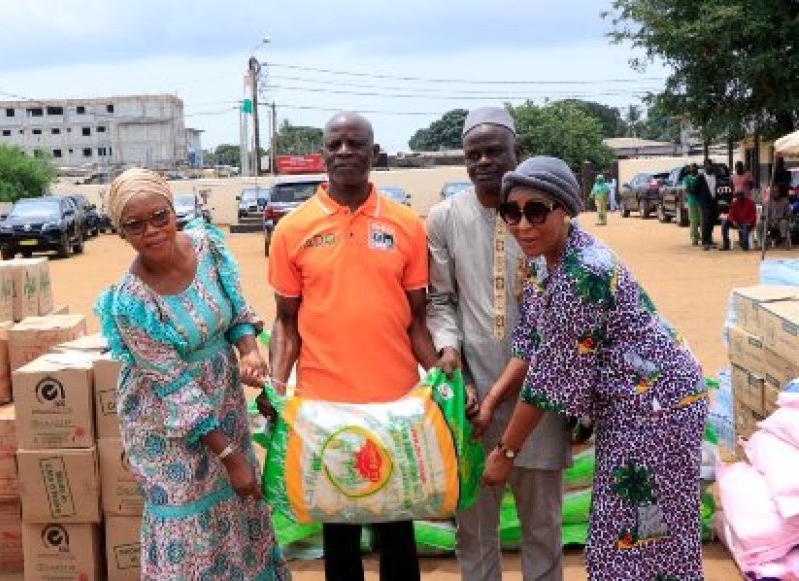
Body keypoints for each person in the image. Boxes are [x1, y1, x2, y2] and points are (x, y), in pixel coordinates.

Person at [475, 156, 708, 580]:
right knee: (634, 535)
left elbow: (547, 381)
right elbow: (529, 340)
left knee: (633, 538)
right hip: (634, 406)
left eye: (537, 211)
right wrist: (492, 399)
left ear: (565, 210)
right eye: (512, 212)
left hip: (657, 410)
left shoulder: (583, 274)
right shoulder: (543, 262)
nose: (522, 224)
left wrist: (505, 452)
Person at [94, 168, 289, 580]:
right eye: (135, 224)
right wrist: (230, 455)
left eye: (160, 216)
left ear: (173, 210)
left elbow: (236, 310)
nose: (152, 231)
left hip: (224, 403)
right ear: (120, 231)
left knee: (239, 504)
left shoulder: (206, 247)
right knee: (186, 517)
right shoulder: (131, 302)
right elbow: (175, 388)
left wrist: (249, 350)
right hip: (165, 426)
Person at [267, 111, 437, 581]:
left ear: (373, 152)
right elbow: (285, 323)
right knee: (339, 536)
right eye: (336, 144)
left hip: (396, 405)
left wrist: (442, 375)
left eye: (355, 144)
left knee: (397, 529)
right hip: (326, 409)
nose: (345, 152)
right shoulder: (292, 229)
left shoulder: (406, 225)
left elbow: (417, 320)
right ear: (323, 153)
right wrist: (276, 386)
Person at [426, 107, 570, 581]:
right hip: (472, 399)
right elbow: (441, 301)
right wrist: (448, 352)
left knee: (542, 527)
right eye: (474, 154)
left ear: (517, 154)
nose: (484, 161)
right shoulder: (445, 218)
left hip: (540, 400)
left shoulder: (543, 216)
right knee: (475, 529)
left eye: (495, 152)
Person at [693, 159, 719, 250]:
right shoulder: (700, 178)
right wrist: (700, 200)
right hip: (704, 203)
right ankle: (705, 242)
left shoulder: (715, 176)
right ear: (704, 167)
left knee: (712, 221)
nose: (709, 168)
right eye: (707, 166)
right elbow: (694, 190)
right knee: (705, 221)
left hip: (713, 201)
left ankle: (709, 239)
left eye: (710, 166)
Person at [682, 164, 700, 246]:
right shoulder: (686, 179)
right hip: (692, 202)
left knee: (703, 221)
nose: (694, 170)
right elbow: (687, 190)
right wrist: (695, 190)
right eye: (693, 169)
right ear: (690, 170)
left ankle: (704, 238)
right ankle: (694, 239)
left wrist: (693, 189)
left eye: (695, 168)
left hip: (701, 202)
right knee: (693, 221)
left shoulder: (700, 178)